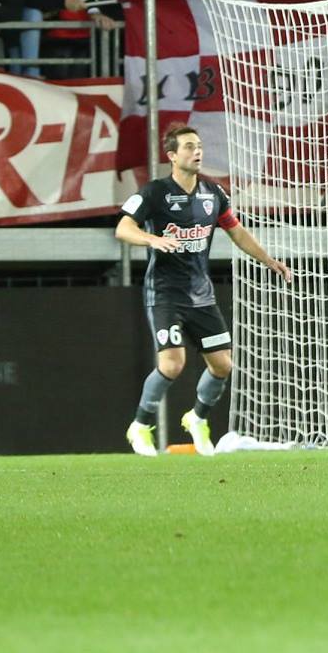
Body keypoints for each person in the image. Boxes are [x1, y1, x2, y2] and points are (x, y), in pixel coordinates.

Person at [117, 125, 293, 457]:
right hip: (165, 293)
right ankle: (140, 426)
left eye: (198, 146)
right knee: (171, 365)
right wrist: (152, 239)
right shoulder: (155, 192)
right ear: (172, 155)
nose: (196, 152)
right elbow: (124, 228)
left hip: (201, 295)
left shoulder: (214, 194)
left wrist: (270, 261)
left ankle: (196, 418)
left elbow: (236, 232)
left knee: (223, 366)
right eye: (188, 147)